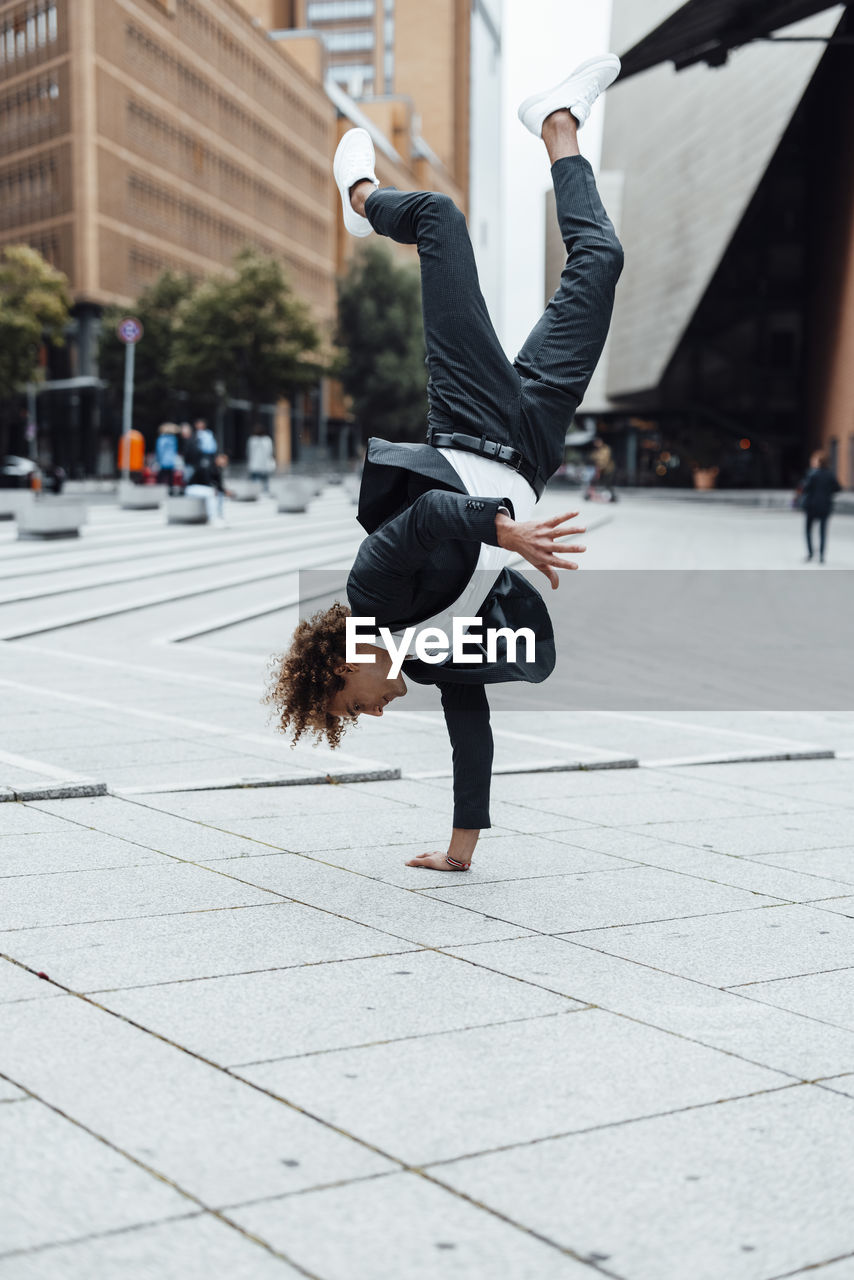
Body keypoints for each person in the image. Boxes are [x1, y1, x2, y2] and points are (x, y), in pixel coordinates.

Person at [267, 56, 623, 873]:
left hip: (468, 422)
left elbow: (428, 515)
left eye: (350, 710)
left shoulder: (370, 591)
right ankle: (559, 124)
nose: (373, 715)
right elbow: (472, 726)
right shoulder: (428, 656)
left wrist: (506, 535)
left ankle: (359, 200)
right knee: (601, 267)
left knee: (437, 218)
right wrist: (460, 851)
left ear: (343, 661)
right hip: (529, 444)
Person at [799, 449, 841, 564]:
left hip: (811, 506)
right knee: (822, 532)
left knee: (808, 530)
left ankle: (810, 553)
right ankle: (822, 556)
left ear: (818, 461)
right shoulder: (830, 474)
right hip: (825, 506)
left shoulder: (812, 474)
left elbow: (805, 488)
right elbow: (838, 488)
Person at [185, 451, 234, 526]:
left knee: (219, 494)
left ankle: (220, 516)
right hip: (192, 487)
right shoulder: (208, 465)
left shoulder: (218, 469)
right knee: (211, 492)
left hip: (202, 489)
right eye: (223, 459)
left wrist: (226, 492)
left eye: (225, 461)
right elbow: (206, 481)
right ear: (218, 458)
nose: (224, 462)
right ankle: (212, 518)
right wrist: (216, 490)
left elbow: (219, 485)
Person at [586, 435, 617, 502]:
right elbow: (592, 457)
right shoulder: (596, 450)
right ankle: (588, 495)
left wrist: (600, 467)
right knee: (593, 482)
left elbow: (605, 460)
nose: (596, 444)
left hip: (607, 469)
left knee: (608, 483)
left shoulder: (606, 449)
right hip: (599, 469)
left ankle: (613, 497)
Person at [247, 423, 276, 491]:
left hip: (256, 465)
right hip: (264, 465)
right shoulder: (267, 440)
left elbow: (248, 452)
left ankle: (256, 494)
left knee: (256, 483)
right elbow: (270, 452)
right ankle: (263, 494)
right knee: (264, 484)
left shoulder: (252, 440)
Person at [155, 423, 178, 491]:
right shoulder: (173, 439)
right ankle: (170, 489)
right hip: (171, 460)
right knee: (170, 476)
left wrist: (158, 459)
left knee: (161, 475)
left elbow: (159, 450)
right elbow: (175, 450)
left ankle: (158, 488)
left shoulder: (161, 439)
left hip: (163, 460)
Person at [176, 423, 198, 487]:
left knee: (188, 479)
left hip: (191, 463)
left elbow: (192, 453)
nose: (182, 433)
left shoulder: (191, 440)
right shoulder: (187, 440)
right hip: (189, 463)